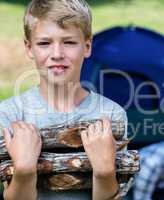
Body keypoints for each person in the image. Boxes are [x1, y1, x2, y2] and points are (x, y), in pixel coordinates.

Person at [0, 0, 127, 199]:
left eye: (69, 42)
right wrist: (24, 172)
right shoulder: (11, 115)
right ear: (29, 48)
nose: (57, 54)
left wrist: (104, 173)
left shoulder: (110, 115)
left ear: (87, 46)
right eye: (44, 43)